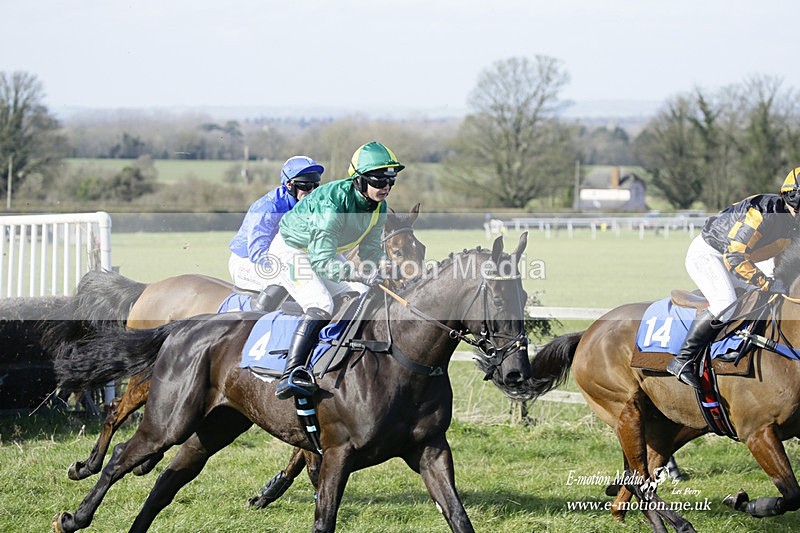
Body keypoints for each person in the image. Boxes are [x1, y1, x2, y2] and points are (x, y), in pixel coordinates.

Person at [269, 141, 404, 399]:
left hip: (323, 251)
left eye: (391, 180)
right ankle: (290, 374)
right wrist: (360, 273)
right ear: (359, 180)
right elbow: (321, 263)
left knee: (356, 296)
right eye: (378, 180)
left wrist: (385, 267)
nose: (385, 186)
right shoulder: (333, 206)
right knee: (320, 303)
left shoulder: (379, 207)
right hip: (292, 251)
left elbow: (370, 251)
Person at [667, 166, 800, 389]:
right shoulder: (764, 211)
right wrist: (765, 283)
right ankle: (683, 359)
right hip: (711, 254)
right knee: (725, 302)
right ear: (794, 197)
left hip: (747, 258)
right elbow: (735, 256)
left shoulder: (793, 219)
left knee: (769, 298)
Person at [228, 155, 324, 311]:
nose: (311, 191)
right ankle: (253, 326)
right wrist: (288, 269)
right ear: (288, 185)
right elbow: (258, 252)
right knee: (283, 280)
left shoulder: (311, 206)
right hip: (246, 261)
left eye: (315, 185)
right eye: (305, 186)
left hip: (283, 258)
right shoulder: (268, 207)